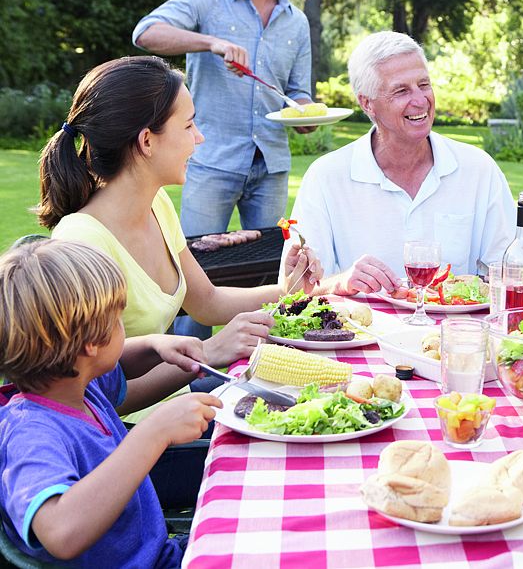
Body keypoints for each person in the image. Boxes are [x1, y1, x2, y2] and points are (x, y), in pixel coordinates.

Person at [35, 56, 321, 417]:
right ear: (146, 141)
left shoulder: (156, 204)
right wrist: (209, 353)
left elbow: (208, 302)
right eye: (188, 126)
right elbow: (91, 397)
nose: (199, 138)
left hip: (180, 406)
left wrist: (289, 291)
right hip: (130, 441)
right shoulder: (82, 244)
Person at [0, 239, 222, 566]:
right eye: (118, 319)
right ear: (91, 342)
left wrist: (154, 345)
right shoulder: (30, 435)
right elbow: (61, 532)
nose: (124, 329)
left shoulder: (76, 386)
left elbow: (119, 361)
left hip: (163, 555)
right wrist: (152, 434)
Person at [133, 0, 315, 339]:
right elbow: (145, 33)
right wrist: (210, 42)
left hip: (271, 164)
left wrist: (306, 114)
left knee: (270, 273)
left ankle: (261, 371)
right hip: (209, 158)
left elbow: (299, 92)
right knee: (193, 276)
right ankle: (188, 374)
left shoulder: (296, 22)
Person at [282, 31, 515, 295]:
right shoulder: (325, 177)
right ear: (367, 103)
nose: (419, 100)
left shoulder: (478, 169)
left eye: (424, 85)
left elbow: (510, 271)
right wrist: (341, 282)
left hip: (454, 333)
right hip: (360, 334)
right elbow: (295, 289)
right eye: (401, 90)